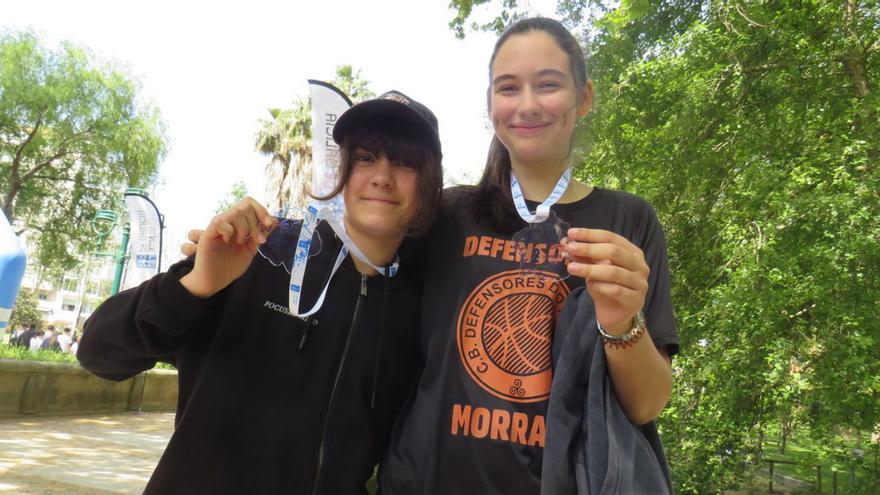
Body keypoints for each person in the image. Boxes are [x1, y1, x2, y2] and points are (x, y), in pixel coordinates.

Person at [77, 90, 443, 494]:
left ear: (429, 181)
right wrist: (196, 287)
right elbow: (99, 354)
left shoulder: (424, 308)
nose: (381, 176)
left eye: (405, 162)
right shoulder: (258, 252)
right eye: (365, 158)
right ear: (340, 170)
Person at [376, 17, 679, 495]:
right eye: (508, 88)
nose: (528, 105)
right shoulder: (445, 213)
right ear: (491, 104)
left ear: (584, 98)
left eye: (549, 85)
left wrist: (622, 321)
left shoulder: (628, 220)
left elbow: (646, 405)